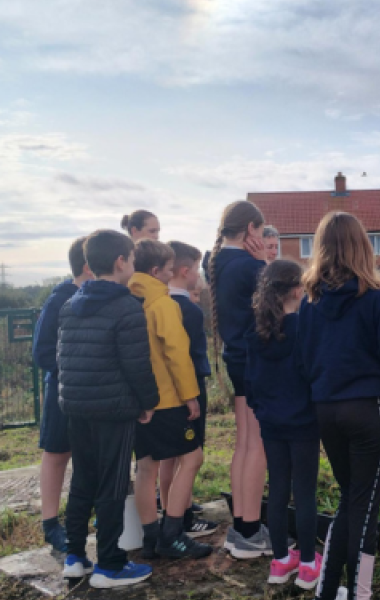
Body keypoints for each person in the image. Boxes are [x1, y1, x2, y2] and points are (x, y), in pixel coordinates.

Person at [296, 212, 380, 600]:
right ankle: (360, 594)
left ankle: (328, 591)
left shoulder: (308, 304)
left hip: (326, 410)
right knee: (365, 506)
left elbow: (302, 361)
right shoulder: (376, 300)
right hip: (369, 411)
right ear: (361, 246)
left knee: (351, 498)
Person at [57, 229, 158, 588]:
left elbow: (63, 359)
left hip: (77, 408)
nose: (133, 264)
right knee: (113, 484)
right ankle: (110, 565)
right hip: (114, 410)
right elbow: (137, 365)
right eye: (132, 259)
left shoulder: (70, 305)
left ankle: (74, 557)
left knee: (82, 480)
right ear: (121, 261)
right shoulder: (126, 307)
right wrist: (148, 403)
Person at [129, 239, 215, 560]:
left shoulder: (129, 298)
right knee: (192, 459)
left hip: (140, 402)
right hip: (167, 401)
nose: (170, 275)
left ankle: (150, 537)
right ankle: (173, 534)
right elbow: (177, 354)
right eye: (167, 269)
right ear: (156, 271)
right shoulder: (163, 304)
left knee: (146, 467)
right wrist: (190, 396)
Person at [244, 260, 322, 586]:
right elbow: (314, 374)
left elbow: (250, 385)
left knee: (277, 489)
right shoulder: (306, 327)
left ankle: (279, 561)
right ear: (296, 289)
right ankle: (307, 563)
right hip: (304, 422)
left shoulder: (256, 333)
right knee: (304, 492)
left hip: (271, 423)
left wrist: (263, 408)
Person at [206, 200, 272, 558]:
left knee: (244, 443)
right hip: (256, 362)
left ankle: (244, 526)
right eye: (260, 231)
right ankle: (248, 531)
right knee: (257, 446)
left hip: (235, 359)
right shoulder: (250, 267)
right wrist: (264, 265)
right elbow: (277, 307)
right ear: (250, 230)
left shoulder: (216, 262)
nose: (262, 238)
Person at [32, 236, 93, 553]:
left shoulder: (99, 296)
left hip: (91, 393)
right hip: (61, 390)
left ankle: (81, 517)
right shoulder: (59, 299)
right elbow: (42, 352)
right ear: (87, 266)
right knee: (57, 454)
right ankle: (50, 522)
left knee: (87, 455)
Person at [166, 241, 214, 528]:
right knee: (190, 454)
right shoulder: (189, 310)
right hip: (190, 389)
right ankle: (182, 518)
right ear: (185, 271)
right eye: (196, 269)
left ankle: (175, 508)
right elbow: (191, 357)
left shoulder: (157, 303)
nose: (199, 275)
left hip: (165, 394)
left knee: (168, 458)